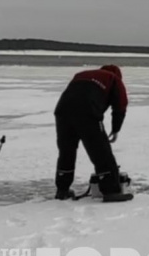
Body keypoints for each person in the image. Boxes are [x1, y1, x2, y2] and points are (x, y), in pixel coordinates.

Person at [53, 64, 133, 202]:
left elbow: (74, 94)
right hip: (87, 113)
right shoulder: (113, 78)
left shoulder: (81, 74)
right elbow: (120, 105)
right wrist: (116, 129)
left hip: (62, 111)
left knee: (67, 151)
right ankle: (111, 191)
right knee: (101, 151)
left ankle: (62, 190)